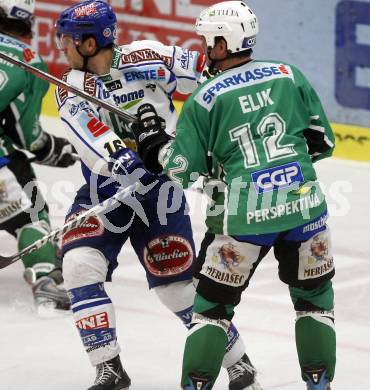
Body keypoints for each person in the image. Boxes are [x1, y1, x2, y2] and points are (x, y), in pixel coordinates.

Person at [126, 1, 337, 389]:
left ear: (223, 44)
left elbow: (185, 169)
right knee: (314, 301)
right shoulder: (289, 75)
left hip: (241, 215)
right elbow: (323, 143)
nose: (206, 50)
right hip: (306, 207)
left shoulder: (206, 97)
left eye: (209, 43)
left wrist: (152, 140)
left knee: (211, 312)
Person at [54, 1, 261, 389]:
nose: (60, 48)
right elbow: (94, 141)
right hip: (106, 190)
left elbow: (210, 78)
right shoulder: (70, 88)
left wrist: (199, 142)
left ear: (88, 43)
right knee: (79, 265)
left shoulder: (150, 56)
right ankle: (109, 368)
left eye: (66, 40)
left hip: (160, 191)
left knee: (176, 289)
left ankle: (239, 362)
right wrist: (131, 165)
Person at [0, 0, 75, 312]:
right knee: (32, 215)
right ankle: (44, 280)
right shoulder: (27, 59)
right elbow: (26, 136)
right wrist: (56, 149)